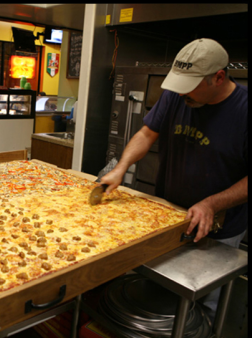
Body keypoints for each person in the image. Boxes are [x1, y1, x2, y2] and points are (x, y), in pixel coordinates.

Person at [100, 38, 247, 320]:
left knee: (201, 309)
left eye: (189, 86)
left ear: (218, 77)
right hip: (167, 217)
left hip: (218, 228)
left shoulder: (243, 110)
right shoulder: (176, 96)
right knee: (156, 294)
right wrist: (121, 167)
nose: (181, 94)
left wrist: (211, 204)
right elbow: (146, 133)